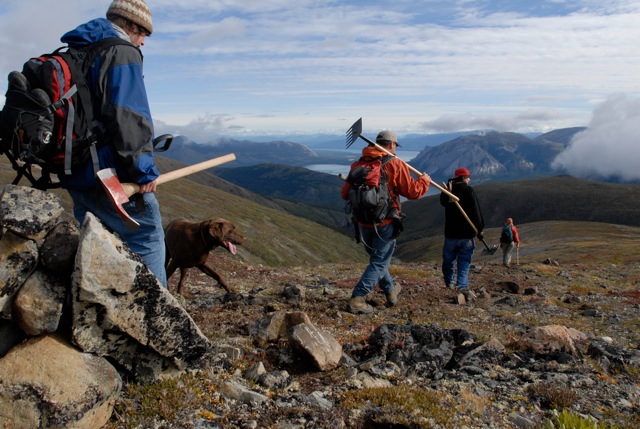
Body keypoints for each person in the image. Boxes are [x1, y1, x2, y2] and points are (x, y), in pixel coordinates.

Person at [59, 0, 167, 287]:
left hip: (76, 174)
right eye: (143, 32)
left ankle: (101, 316)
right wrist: (143, 171)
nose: (143, 42)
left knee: (99, 245)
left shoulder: (79, 50)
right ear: (130, 24)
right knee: (148, 236)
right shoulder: (121, 51)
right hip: (111, 176)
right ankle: (159, 322)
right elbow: (128, 115)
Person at [341, 130, 431, 314]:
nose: (396, 149)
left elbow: (344, 194)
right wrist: (424, 181)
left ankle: (390, 291)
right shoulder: (395, 164)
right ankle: (358, 297)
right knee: (379, 262)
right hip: (385, 223)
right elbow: (413, 192)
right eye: (396, 146)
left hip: (363, 224)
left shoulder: (358, 164)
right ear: (391, 145)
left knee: (379, 261)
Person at [439, 167, 485, 304]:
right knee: (464, 261)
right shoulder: (468, 190)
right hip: (467, 235)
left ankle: (449, 283)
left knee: (448, 261)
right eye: (468, 177)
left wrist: (447, 189)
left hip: (451, 234)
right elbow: (476, 211)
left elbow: (443, 203)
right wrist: (480, 229)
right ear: (464, 177)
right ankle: (462, 286)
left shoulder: (449, 190)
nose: (469, 179)